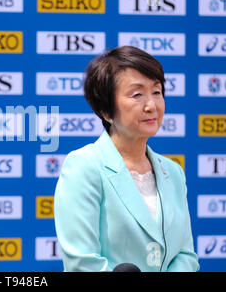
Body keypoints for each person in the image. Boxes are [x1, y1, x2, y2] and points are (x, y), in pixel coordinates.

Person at [54, 46, 199, 272]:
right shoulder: (85, 166)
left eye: (157, 92)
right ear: (106, 110)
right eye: (137, 94)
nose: (151, 105)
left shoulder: (173, 172)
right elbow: (82, 262)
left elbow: (186, 255)